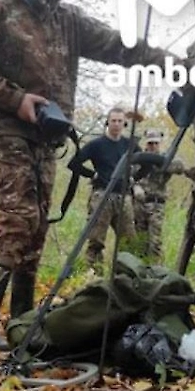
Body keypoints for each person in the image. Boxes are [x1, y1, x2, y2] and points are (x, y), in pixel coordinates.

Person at [0, 0, 168, 350]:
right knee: (19, 220)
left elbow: (116, 45)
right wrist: (15, 99)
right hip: (6, 130)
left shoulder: (68, 19)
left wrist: (173, 64)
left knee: (36, 230)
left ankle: (23, 320)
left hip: (47, 139)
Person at [69, 106, 139, 271]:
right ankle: (93, 273)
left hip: (123, 196)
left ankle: (125, 274)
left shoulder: (129, 144)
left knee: (129, 240)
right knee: (96, 239)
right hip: (102, 195)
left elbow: (145, 161)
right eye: (113, 121)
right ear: (108, 122)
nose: (116, 124)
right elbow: (74, 163)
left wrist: (135, 178)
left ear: (124, 124)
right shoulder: (96, 145)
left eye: (120, 121)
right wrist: (93, 175)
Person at [132, 129, 195, 262]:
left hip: (156, 204)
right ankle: (140, 268)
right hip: (139, 203)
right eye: (150, 143)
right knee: (140, 240)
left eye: (156, 143)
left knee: (155, 241)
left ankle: (156, 269)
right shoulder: (138, 159)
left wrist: (162, 163)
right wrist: (135, 187)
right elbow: (128, 177)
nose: (153, 146)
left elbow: (179, 167)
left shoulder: (165, 158)